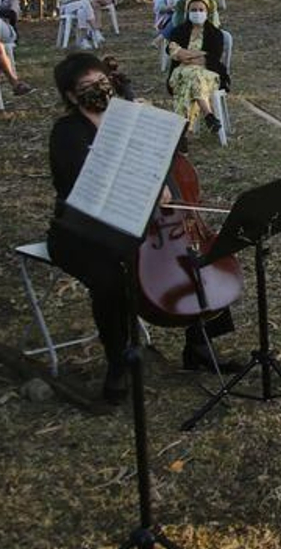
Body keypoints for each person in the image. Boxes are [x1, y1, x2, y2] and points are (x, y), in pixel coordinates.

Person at [45, 53, 231, 405]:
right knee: (108, 280)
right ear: (71, 96)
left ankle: (200, 346)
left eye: (101, 82)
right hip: (85, 232)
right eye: (87, 88)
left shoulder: (130, 114)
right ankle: (119, 361)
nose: (98, 91)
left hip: (147, 226)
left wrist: (154, 123)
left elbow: (180, 149)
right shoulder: (67, 134)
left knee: (197, 257)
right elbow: (77, 185)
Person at [166, 0, 230, 133]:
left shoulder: (215, 33)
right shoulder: (178, 32)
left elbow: (212, 59)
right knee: (193, 75)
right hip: (180, 73)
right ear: (187, 12)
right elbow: (175, 53)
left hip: (208, 74)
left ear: (207, 12)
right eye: (193, 10)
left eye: (201, 10)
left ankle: (182, 131)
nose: (197, 13)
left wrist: (187, 54)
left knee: (192, 77)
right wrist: (201, 53)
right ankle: (208, 115)